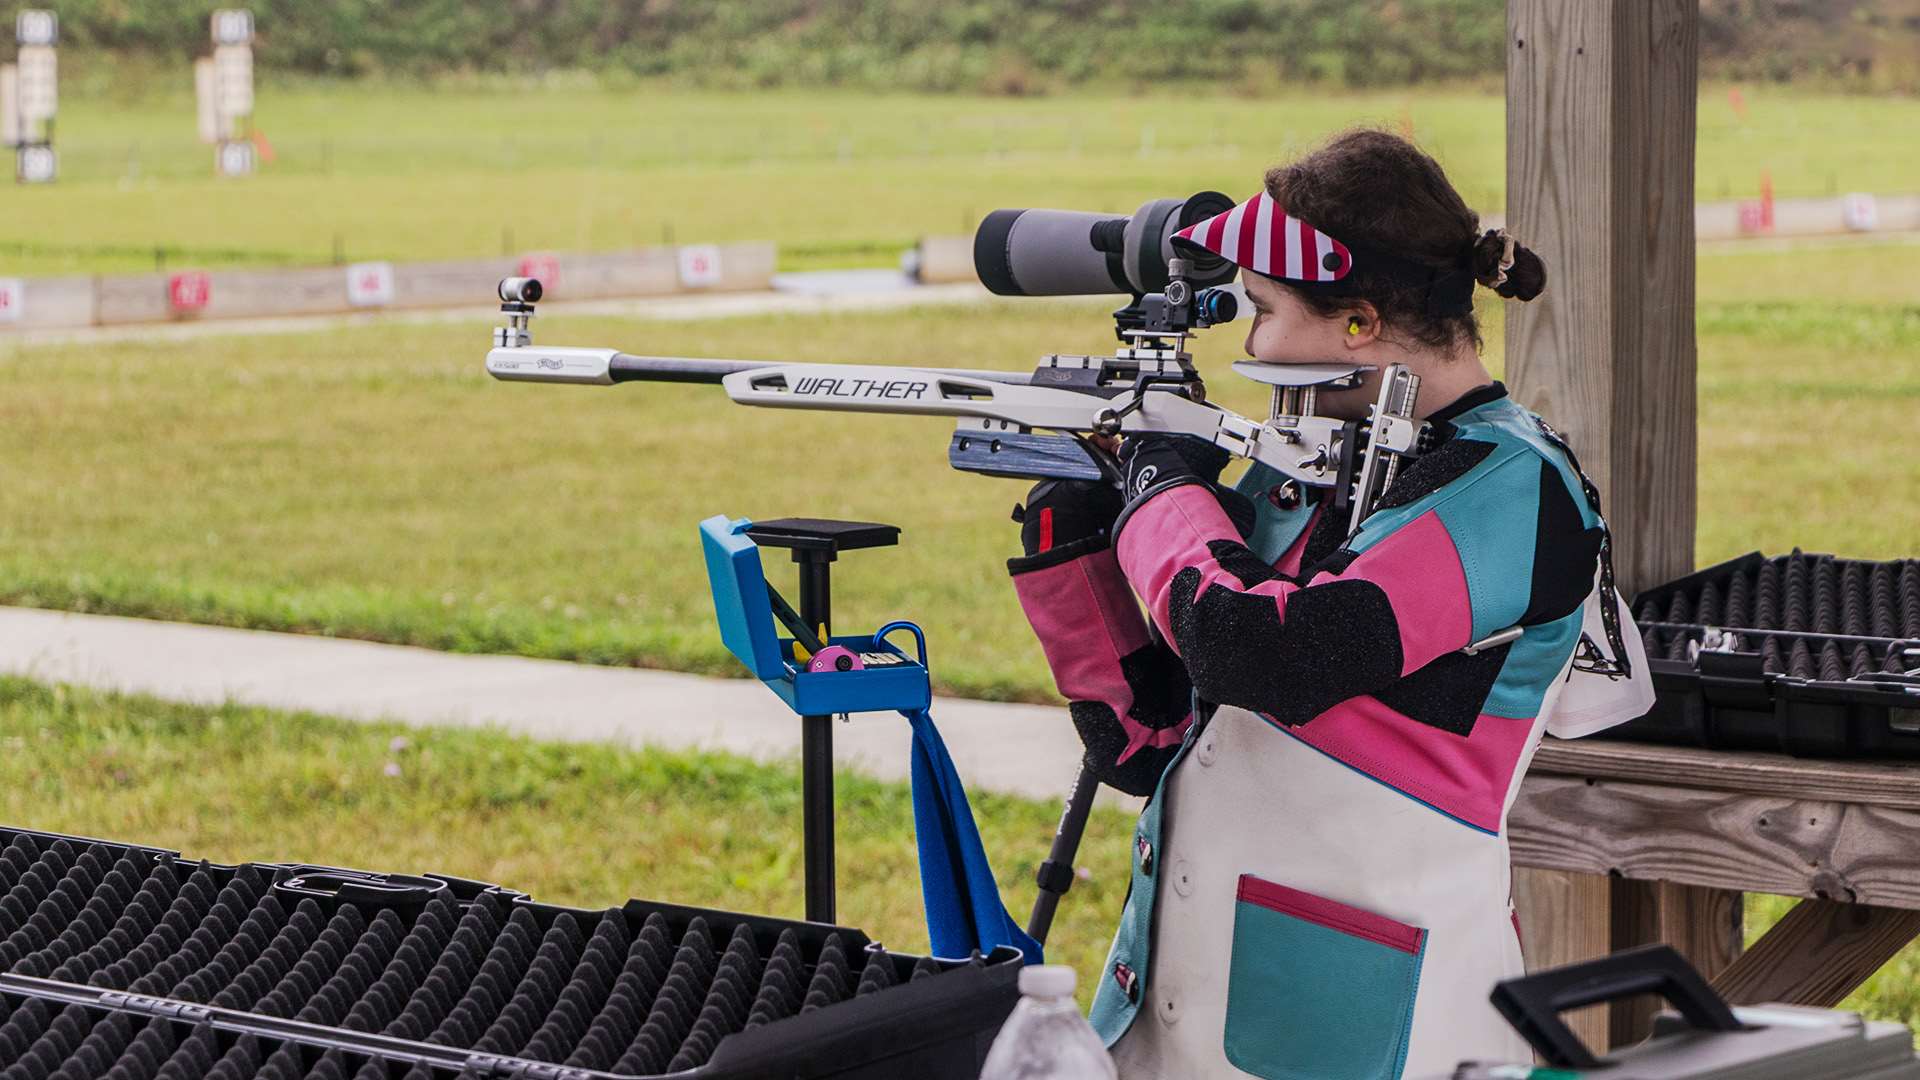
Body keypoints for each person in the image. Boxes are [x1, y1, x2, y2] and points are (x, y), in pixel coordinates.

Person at [1005, 129, 1652, 1079]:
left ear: (1356, 320)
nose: (1251, 340)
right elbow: (1143, 743)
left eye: (1262, 309)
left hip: (1373, 1027)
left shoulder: (1514, 489)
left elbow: (1258, 652)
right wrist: (1081, 548)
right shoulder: (1319, 468)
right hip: (1177, 1012)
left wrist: (1156, 491)